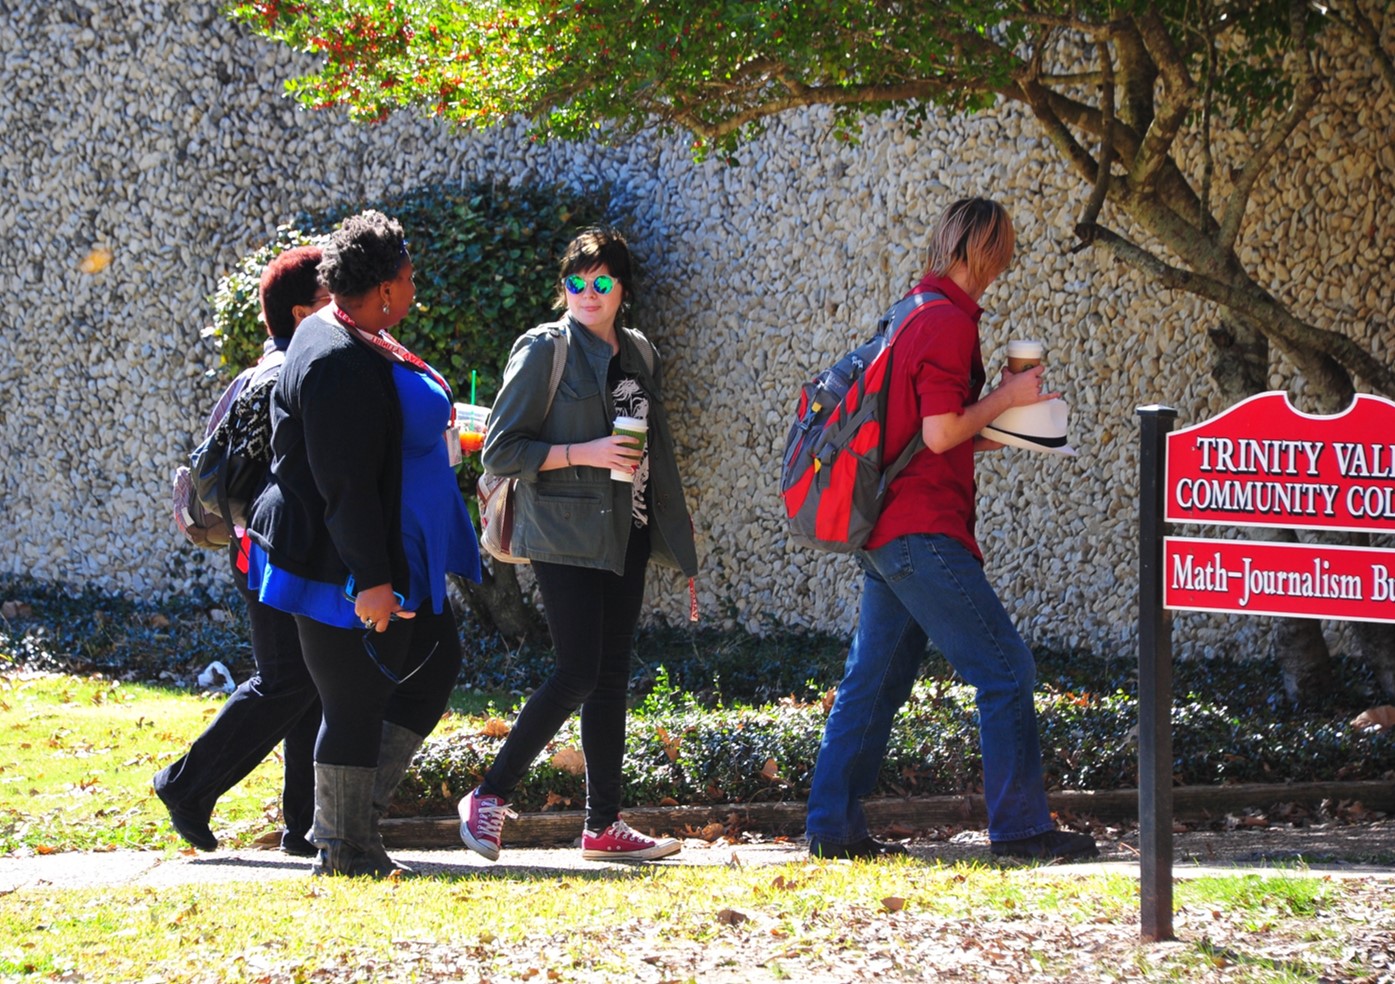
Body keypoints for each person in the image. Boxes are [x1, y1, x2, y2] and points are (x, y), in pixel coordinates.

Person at [804, 197, 1099, 862]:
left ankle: (831, 827)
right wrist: (1007, 397)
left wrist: (1016, 423)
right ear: (985, 251)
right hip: (919, 532)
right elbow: (940, 433)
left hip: (886, 529)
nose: (1006, 261)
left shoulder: (913, 311)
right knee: (1004, 669)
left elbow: (929, 435)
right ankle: (1022, 831)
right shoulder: (946, 325)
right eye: (1004, 248)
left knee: (873, 682)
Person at [246, 210, 481, 877]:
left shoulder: (351, 332)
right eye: (408, 281)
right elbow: (343, 484)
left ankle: (351, 824)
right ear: (382, 289)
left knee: (431, 668)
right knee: (353, 700)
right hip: (341, 563)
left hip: (391, 553)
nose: (414, 293)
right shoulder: (334, 358)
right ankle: (344, 850)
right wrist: (371, 578)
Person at [458, 227, 698, 863]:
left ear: (622, 289)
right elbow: (505, 448)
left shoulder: (639, 351)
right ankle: (488, 796)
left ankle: (603, 826)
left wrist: (669, 525)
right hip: (562, 529)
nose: (587, 294)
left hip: (627, 528)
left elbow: (651, 446)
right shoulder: (545, 348)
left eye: (600, 282)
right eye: (575, 281)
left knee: (611, 678)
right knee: (577, 671)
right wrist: (583, 453)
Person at [154, 246, 329, 857]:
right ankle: (185, 785)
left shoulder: (257, 371)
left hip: (260, 548)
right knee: (287, 678)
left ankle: (304, 826)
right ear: (305, 311)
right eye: (333, 298)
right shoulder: (289, 373)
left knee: (309, 677)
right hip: (268, 551)